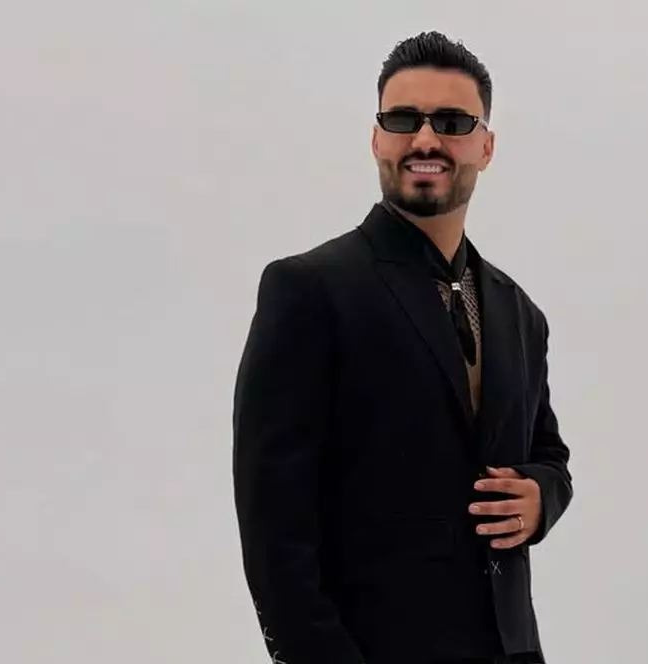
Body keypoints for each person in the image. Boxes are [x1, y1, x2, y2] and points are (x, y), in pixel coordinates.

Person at [232, 31, 573, 664]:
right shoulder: (309, 289)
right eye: (403, 119)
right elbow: (273, 521)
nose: (425, 140)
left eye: (452, 122)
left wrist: (540, 497)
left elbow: (549, 455)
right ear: (376, 138)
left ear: (486, 146)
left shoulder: (520, 312)